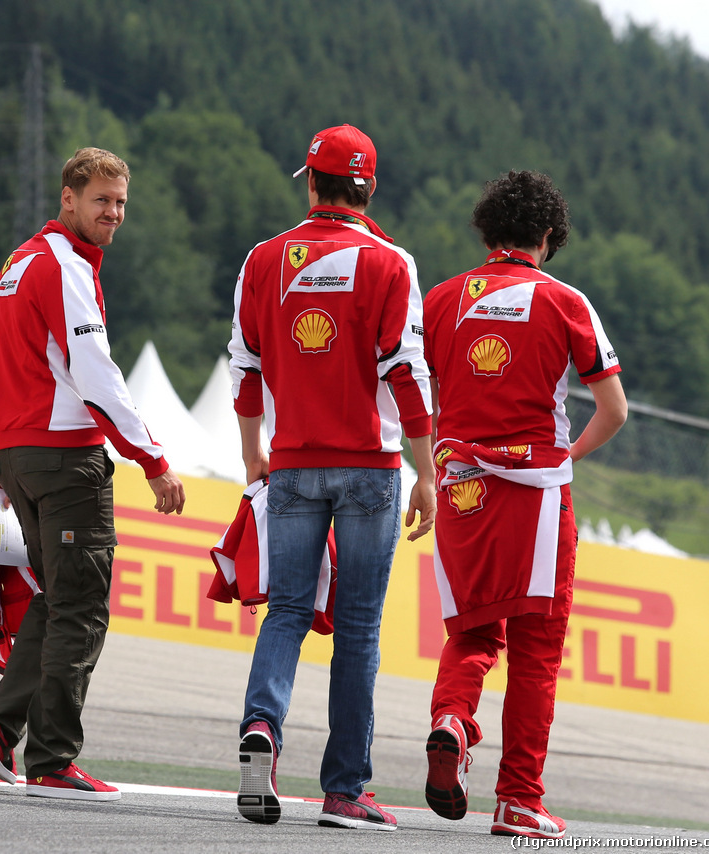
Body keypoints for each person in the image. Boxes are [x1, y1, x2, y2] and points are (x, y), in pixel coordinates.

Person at [228, 124, 436, 830]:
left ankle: (262, 728)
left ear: (311, 184)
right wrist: (429, 469)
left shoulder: (263, 259)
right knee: (358, 628)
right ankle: (345, 792)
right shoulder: (390, 262)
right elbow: (405, 372)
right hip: (371, 468)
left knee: (286, 609)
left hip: (291, 461)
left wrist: (253, 451)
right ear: (369, 187)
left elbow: (244, 366)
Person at [0, 147, 186, 801]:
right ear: (68, 198)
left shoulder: (17, 264)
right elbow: (95, 375)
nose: (113, 214)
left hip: (19, 457)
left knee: (55, 598)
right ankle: (53, 758)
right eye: (101, 201)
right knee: (82, 607)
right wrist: (153, 459)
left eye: (120, 203)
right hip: (65, 459)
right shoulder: (63, 266)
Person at [420, 170, 627, 839]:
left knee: (473, 633)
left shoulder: (442, 300)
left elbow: (411, 398)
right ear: (547, 235)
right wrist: (563, 461)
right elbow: (613, 411)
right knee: (536, 651)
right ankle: (518, 800)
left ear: (487, 230)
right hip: (537, 493)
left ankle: (452, 719)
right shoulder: (566, 300)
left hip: (459, 486)